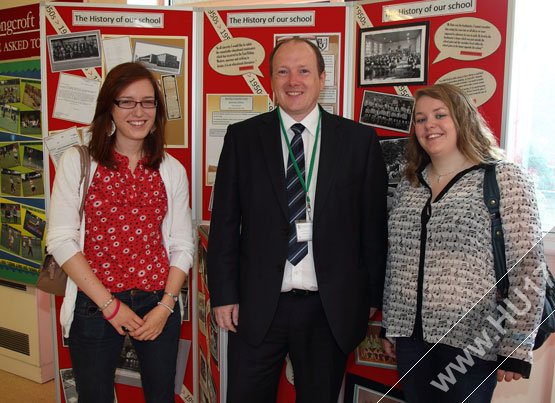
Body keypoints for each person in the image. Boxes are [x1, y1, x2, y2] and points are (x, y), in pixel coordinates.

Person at [207, 38, 388, 403]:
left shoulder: (359, 141)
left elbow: (373, 228)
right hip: (257, 306)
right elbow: (224, 223)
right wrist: (223, 294)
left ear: (322, 78)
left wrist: (369, 297)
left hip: (329, 309)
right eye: (283, 71)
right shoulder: (242, 138)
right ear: (270, 80)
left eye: (304, 71)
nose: (294, 81)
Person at [381, 83, 547, 402]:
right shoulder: (409, 184)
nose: (430, 125)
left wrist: (515, 345)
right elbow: (395, 260)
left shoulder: (502, 178)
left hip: (472, 339)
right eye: (420, 119)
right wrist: (392, 324)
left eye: (440, 115)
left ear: (462, 120)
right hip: (411, 339)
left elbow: (528, 268)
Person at [46, 62, 194, 403]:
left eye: (147, 102)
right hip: (96, 304)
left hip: (158, 303)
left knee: (160, 396)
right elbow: (61, 239)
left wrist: (166, 306)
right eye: (126, 101)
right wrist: (109, 305)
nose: (138, 111)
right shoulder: (78, 161)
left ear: (157, 109)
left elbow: (182, 244)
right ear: (109, 108)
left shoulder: (171, 170)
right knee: (95, 396)